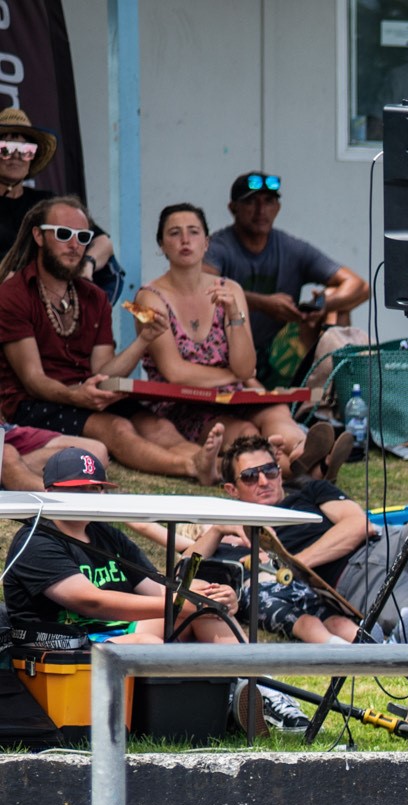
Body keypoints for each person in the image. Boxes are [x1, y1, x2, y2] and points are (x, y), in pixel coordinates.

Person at [0, 195, 221, 481]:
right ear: (39, 237)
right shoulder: (14, 294)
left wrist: (144, 340)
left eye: (83, 237)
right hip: (33, 402)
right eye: (63, 234)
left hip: (86, 393)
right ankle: (191, 467)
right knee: (116, 428)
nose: (74, 245)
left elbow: (103, 371)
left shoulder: (94, 297)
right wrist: (75, 395)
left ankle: (211, 463)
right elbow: (33, 379)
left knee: (157, 426)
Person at [134, 202, 317, 463]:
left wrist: (234, 315)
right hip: (184, 404)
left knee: (276, 413)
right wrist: (233, 375)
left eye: (194, 232)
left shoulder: (230, 289)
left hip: (234, 395)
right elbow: (175, 372)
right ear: (161, 245)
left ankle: (304, 452)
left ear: (206, 243)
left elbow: (245, 365)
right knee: (246, 432)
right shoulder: (150, 298)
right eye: (174, 233)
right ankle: (304, 466)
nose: (185, 240)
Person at [2, 446, 238, 646]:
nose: (87, 496)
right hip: (63, 645)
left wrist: (210, 597)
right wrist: (184, 604)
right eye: (76, 488)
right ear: (49, 491)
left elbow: (157, 589)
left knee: (207, 607)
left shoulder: (107, 534)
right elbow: (92, 602)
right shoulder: (35, 541)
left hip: (118, 634)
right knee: (148, 644)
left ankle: (256, 688)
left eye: (94, 488)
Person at [183, 434, 374, 645]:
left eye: (270, 471)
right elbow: (183, 571)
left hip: (316, 583)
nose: (263, 481)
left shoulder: (304, 496)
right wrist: (217, 530)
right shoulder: (227, 539)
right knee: (308, 623)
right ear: (232, 490)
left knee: (337, 622)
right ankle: (341, 650)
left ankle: (383, 647)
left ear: (280, 474)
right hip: (265, 592)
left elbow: (360, 524)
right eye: (250, 476)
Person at [205, 172, 370, 384]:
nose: (261, 210)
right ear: (233, 208)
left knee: (337, 303)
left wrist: (320, 304)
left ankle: (330, 394)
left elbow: (360, 286)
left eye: (269, 201)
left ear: (278, 208)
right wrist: (263, 304)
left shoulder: (291, 248)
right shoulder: (218, 247)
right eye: (251, 202)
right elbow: (203, 288)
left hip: (278, 353)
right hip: (228, 352)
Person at [0, 108, 119, 301]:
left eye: (25, 150)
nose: (16, 156)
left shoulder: (46, 203)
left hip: (49, 305)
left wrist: (87, 264)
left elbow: (103, 242)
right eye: (5, 148)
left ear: (32, 158)